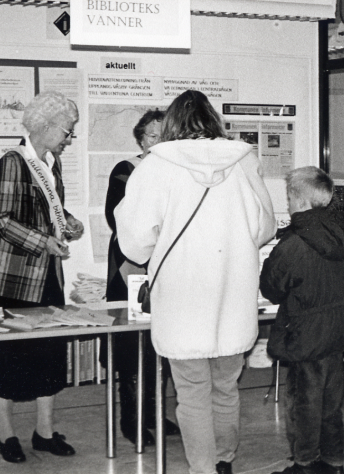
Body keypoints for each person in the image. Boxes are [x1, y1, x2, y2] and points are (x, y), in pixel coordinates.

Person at [115, 90, 276, 474]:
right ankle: (223, 462)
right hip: (232, 292)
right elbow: (264, 227)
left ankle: (202, 468)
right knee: (226, 386)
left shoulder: (155, 166)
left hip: (182, 296)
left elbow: (136, 243)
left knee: (191, 394)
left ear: (171, 124)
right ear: (213, 120)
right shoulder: (243, 161)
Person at [0, 90, 86, 464]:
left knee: (49, 353)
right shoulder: (12, 162)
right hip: (14, 278)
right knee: (6, 357)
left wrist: (67, 222)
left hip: (47, 275)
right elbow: (1, 218)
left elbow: (46, 209)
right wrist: (43, 241)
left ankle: (44, 431)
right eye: (67, 131)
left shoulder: (50, 163)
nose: (69, 139)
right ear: (46, 125)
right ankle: (7, 434)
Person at [259, 166, 344, 474]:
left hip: (304, 333)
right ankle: (333, 462)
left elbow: (271, 288)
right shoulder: (343, 232)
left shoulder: (293, 244)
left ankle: (304, 464)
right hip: (337, 329)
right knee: (330, 402)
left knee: (303, 401)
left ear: (297, 199)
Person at [103, 109, 180, 446]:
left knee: (159, 344)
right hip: (131, 269)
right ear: (141, 138)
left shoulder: (177, 173)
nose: (158, 141)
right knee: (132, 345)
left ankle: (154, 413)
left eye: (165, 135)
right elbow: (116, 217)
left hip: (166, 267)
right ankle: (130, 419)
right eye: (152, 135)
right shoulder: (126, 170)